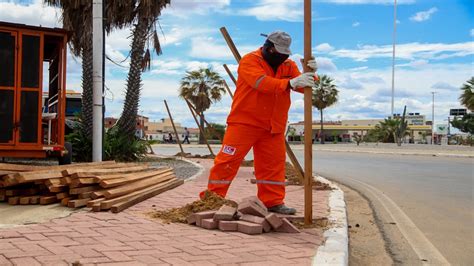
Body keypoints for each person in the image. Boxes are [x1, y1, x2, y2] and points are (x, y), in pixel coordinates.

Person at [200, 31, 318, 215]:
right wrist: (290, 83)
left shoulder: (288, 64)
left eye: (285, 55)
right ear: (268, 48)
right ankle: (213, 198)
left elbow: (303, 86)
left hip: (274, 126)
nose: (282, 58)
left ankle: (273, 202)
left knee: (273, 166)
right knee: (227, 162)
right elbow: (261, 83)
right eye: (279, 54)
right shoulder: (250, 61)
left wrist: (311, 74)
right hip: (244, 123)